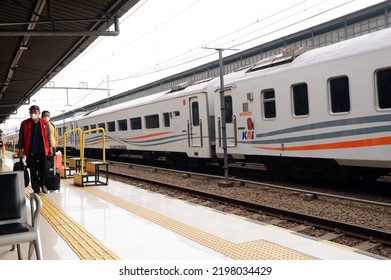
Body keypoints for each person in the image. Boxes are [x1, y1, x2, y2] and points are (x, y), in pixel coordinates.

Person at [18, 105, 53, 194]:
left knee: (45, 168)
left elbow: (49, 136)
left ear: (39, 113)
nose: (33, 113)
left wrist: (50, 147)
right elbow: (21, 137)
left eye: (35, 112)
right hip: (31, 151)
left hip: (43, 150)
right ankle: (36, 189)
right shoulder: (24, 123)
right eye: (32, 112)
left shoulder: (45, 123)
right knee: (33, 171)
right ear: (29, 113)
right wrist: (20, 149)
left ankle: (42, 184)